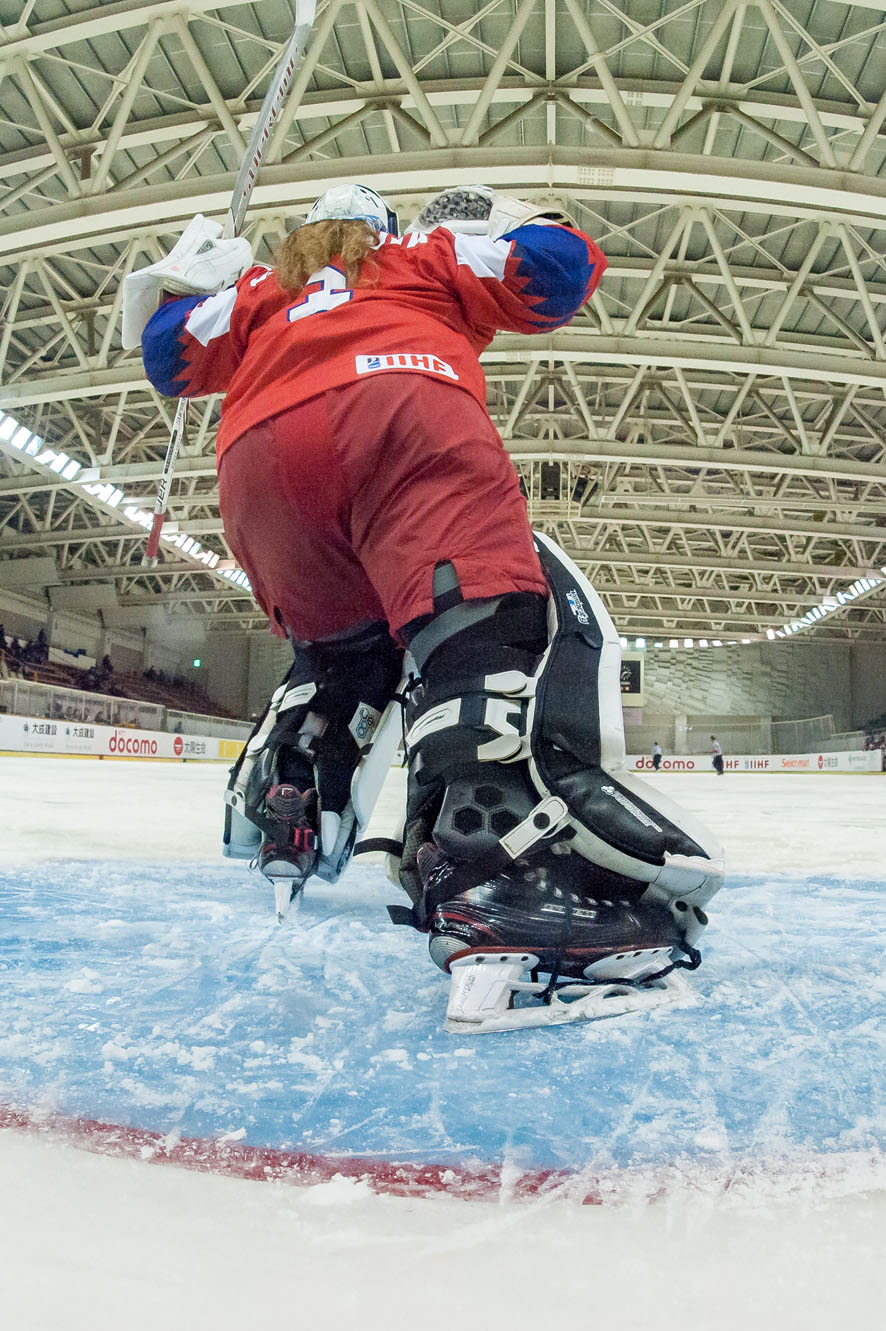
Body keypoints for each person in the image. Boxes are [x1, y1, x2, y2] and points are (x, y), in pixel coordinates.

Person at [126, 182, 723, 1020]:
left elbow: (164, 357)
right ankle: (498, 881)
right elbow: (560, 272)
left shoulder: (260, 292)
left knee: (348, 654)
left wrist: (191, 279)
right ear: (385, 230)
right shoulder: (421, 255)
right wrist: (509, 217)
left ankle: (293, 808)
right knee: (479, 628)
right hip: (400, 413)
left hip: (258, 470)